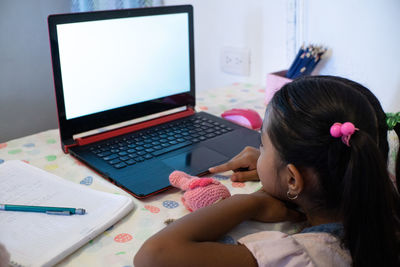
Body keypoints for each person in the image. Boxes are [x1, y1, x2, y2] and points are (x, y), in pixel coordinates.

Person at [134, 76, 400, 267]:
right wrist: (277, 169)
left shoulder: (304, 255)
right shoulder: (378, 184)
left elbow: (152, 256)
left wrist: (250, 202)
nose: (257, 150)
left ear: (294, 179)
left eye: (262, 143)